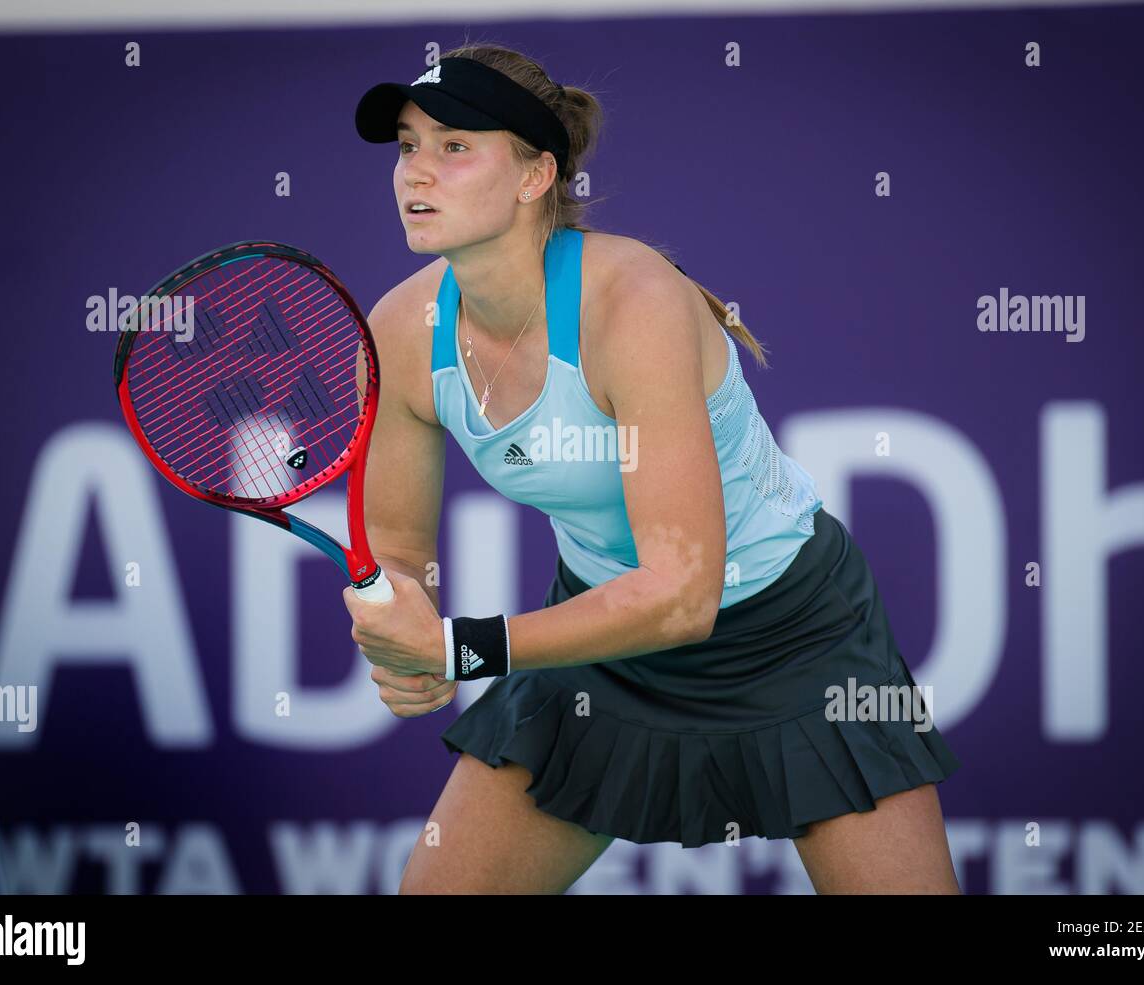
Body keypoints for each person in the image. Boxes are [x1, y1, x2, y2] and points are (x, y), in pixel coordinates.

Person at [343, 44, 962, 894]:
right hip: (598, 648)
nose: (417, 171)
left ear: (534, 177)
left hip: (797, 636)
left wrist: (457, 649)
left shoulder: (633, 303)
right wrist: (400, 621)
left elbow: (680, 594)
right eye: (409, 145)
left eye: (455, 147)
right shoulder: (402, 333)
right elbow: (401, 547)